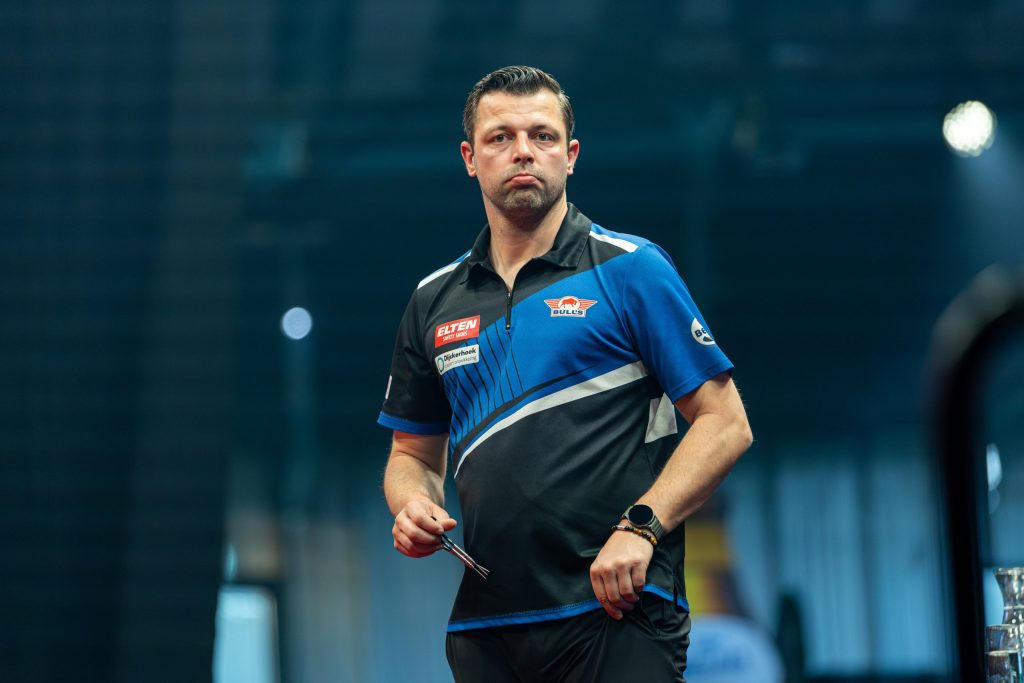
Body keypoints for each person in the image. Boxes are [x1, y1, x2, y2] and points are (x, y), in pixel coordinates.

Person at [378, 65, 752, 682]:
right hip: (487, 626)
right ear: (470, 158)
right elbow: (411, 454)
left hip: (618, 606)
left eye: (543, 136)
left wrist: (641, 527)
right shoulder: (432, 300)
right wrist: (411, 503)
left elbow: (726, 423)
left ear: (570, 155)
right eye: (501, 137)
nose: (523, 151)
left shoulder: (631, 269)